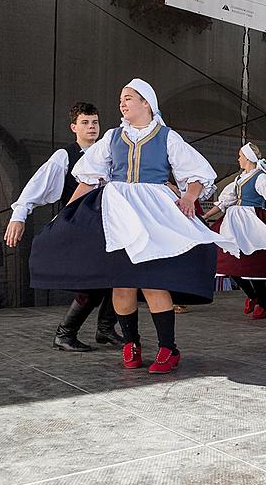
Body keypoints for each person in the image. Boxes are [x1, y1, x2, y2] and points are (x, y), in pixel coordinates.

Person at [29, 78, 238, 374]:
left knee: (153, 282)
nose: (122, 103)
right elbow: (89, 178)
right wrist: (67, 213)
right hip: (117, 212)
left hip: (153, 210)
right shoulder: (113, 137)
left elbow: (197, 174)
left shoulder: (167, 137)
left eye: (128, 98)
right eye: (121, 99)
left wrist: (190, 196)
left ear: (146, 103)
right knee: (122, 281)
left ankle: (168, 348)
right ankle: (131, 343)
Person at [4, 101, 122, 351]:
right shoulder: (65, 156)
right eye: (85, 123)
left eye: (95, 122)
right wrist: (19, 214)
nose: (91, 127)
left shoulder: (109, 153)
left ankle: (105, 329)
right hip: (80, 227)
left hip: (109, 226)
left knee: (118, 276)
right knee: (90, 283)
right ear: (74, 127)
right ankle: (65, 334)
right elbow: (38, 184)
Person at [204, 142, 266, 320]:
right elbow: (225, 202)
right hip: (233, 223)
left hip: (253, 221)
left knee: (254, 264)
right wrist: (206, 216)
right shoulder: (239, 179)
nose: (238, 159)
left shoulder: (260, 178)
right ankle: (253, 296)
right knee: (227, 261)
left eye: (240, 156)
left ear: (247, 157)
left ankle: (263, 304)